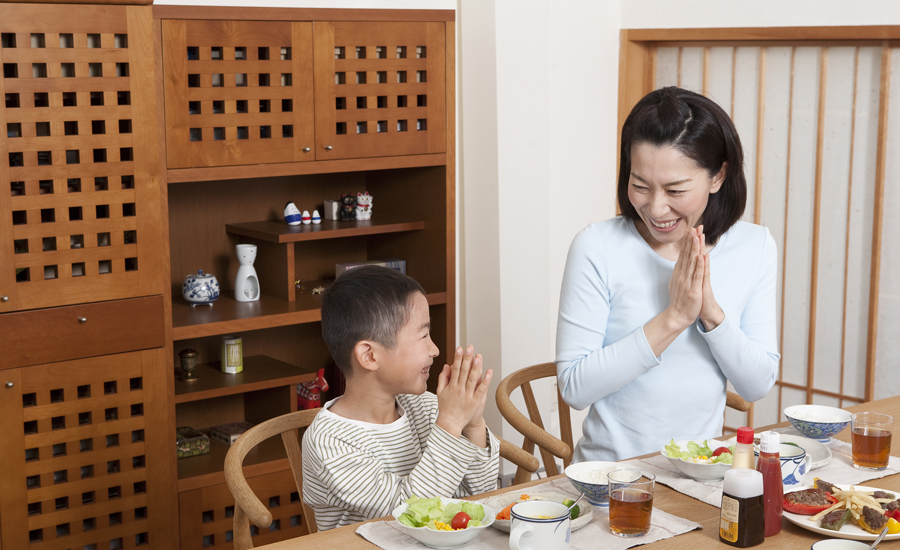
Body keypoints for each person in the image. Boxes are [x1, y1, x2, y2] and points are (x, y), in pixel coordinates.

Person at [555, 86, 780, 462]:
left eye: (675, 190)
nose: (656, 208)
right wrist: (674, 317)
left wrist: (710, 313)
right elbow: (574, 388)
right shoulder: (597, 246)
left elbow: (757, 385)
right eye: (640, 186)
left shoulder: (754, 246)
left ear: (718, 177)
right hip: (609, 478)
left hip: (702, 475)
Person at [302, 266, 499, 531]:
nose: (435, 349)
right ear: (370, 356)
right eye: (423, 335)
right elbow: (406, 514)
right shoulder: (329, 442)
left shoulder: (425, 407)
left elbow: (479, 497)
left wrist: (473, 424)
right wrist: (451, 423)